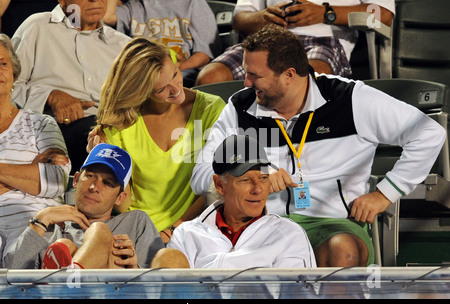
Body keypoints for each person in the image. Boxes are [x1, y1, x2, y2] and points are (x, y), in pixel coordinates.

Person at [190, 25, 447, 267]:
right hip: (260, 225)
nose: (246, 82)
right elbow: (200, 175)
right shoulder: (239, 106)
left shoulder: (349, 98)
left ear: (289, 74)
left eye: (255, 75)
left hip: (330, 224)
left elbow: (429, 133)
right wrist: (255, 177)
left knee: (344, 251)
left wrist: (385, 193)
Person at [87, 37, 226, 243]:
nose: (176, 89)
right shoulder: (120, 123)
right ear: (141, 92)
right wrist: (106, 164)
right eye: (162, 89)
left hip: (194, 228)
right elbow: (123, 205)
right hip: (133, 230)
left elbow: (217, 186)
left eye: (175, 74)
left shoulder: (212, 109)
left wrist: (172, 232)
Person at [152, 135, 316, 269]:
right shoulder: (186, 235)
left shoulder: (288, 234)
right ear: (219, 185)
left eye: (264, 178)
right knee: (167, 257)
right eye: (245, 180)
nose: (257, 189)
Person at [10, 0, 131, 174]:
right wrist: (49, 96)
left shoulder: (122, 46)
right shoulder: (38, 27)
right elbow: (8, 87)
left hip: (108, 129)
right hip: (49, 128)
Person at [4, 143, 165, 269]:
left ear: (120, 198)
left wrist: (134, 269)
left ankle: (71, 282)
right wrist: (41, 218)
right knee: (65, 245)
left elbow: (160, 284)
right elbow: (10, 277)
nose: (94, 187)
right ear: (75, 180)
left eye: (107, 183)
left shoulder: (136, 222)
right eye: (89, 176)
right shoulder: (50, 225)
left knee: (99, 231)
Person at [195, 0, 394, 85]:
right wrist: (263, 17)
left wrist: (325, 13)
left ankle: (297, 157)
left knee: (307, 79)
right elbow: (239, 18)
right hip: (266, 40)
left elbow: (383, 14)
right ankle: (218, 158)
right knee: (209, 79)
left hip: (322, 41)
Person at [0, 33, 70, 266]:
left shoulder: (41, 124)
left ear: (13, 73)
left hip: (46, 228)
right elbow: (43, 179)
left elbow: (56, 180)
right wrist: (31, 170)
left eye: (3, 63)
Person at [103, 0, 221, 88]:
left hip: (182, 72)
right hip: (142, 74)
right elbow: (107, 17)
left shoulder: (194, 4)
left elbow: (204, 55)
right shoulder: (134, 7)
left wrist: (177, 67)